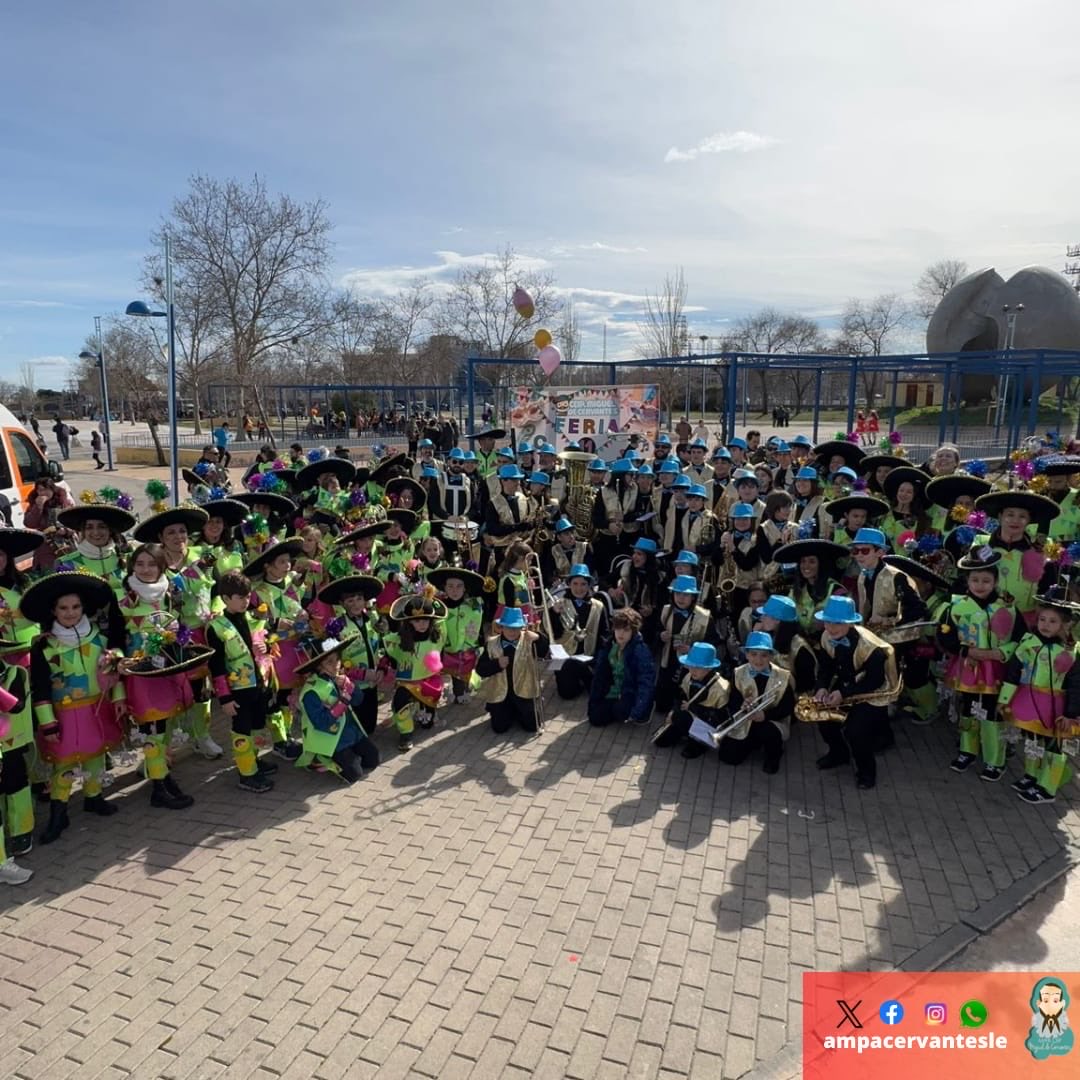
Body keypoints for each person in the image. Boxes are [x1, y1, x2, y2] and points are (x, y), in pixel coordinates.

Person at [26, 572, 128, 843]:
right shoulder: (44, 647)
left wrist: (118, 698)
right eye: (63, 608)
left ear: (84, 608)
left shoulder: (100, 640)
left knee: (96, 754)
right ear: (53, 611)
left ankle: (94, 796)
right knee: (65, 763)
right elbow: (40, 689)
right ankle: (59, 812)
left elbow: (113, 674)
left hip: (97, 707)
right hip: (64, 713)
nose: (70, 613)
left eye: (75, 607)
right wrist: (47, 723)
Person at [937, 546, 1021, 781]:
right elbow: (944, 636)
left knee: (993, 712)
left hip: (997, 668)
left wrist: (1000, 652)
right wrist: (965, 650)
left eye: (986, 580)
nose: (980, 585)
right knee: (969, 708)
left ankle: (996, 760)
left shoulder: (1007, 607)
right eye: (975, 580)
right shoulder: (957, 607)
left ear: (995, 581)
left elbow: (1020, 638)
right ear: (967, 581)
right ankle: (967, 751)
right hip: (969, 667)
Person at [812, 595, 900, 790]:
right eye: (828, 622)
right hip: (847, 685)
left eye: (837, 623)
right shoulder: (826, 637)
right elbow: (825, 668)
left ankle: (867, 772)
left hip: (873, 693)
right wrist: (822, 687)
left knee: (856, 731)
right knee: (823, 716)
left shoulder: (871, 648)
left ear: (850, 623)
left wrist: (843, 693)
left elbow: (874, 680)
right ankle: (838, 754)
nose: (831, 628)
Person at [1000, 590, 1078, 805]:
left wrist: (1071, 714)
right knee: (1032, 738)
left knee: (1055, 746)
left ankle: (1047, 788)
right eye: (1042, 619)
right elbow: (1013, 671)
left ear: (1066, 624)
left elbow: (1076, 684)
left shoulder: (1071, 652)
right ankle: (1031, 775)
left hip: (1058, 706)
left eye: (1053, 621)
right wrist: (1004, 699)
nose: (1045, 625)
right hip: (1030, 699)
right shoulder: (1028, 641)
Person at [206, 572, 277, 793]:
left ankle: (253, 760)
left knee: (257, 725)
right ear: (225, 599)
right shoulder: (216, 627)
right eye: (240, 597)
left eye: (247, 596)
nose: (246, 601)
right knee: (242, 730)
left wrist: (267, 645)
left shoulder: (252, 619)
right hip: (238, 690)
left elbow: (266, 641)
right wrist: (225, 698)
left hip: (258, 684)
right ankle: (246, 774)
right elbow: (216, 667)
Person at [293, 636, 380, 783]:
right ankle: (322, 757)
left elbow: (358, 701)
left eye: (337, 659)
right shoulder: (311, 691)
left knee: (373, 759)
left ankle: (348, 755)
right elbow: (321, 723)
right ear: (319, 666)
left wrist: (350, 686)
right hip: (330, 738)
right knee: (354, 774)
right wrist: (343, 702)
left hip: (350, 731)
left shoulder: (339, 678)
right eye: (330, 662)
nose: (336, 665)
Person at [718, 631, 795, 773]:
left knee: (768, 732)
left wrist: (765, 715)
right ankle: (753, 742)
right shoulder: (738, 672)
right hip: (746, 719)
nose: (758, 660)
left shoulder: (782, 676)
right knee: (728, 756)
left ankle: (774, 755)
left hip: (771, 721)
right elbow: (733, 700)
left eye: (764, 655)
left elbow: (788, 707)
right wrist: (742, 705)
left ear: (771, 657)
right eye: (753, 654)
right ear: (747, 655)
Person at [475, 607, 551, 734]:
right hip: (501, 693)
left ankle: (520, 710)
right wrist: (497, 664)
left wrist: (538, 637)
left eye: (516, 628)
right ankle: (503, 710)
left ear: (522, 627)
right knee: (499, 728)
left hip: (524, 691)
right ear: (502, 627)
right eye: (509, 627)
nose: (512, 631)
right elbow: (481, 670)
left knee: (532, 726)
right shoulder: (491, 644)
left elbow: (544, 652)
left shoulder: (529, 640)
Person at [651, 641, 730, 756]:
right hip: (688, 716)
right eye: (691, 665)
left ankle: (698, 744)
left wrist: (693, 708)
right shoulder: (688, 677)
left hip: (705, 723)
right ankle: (683, 732)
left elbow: (721, 717)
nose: (692, 670)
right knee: (660, 741)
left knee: (683, 719)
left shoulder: (721, 688)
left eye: (698, 667)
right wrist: (673, 712)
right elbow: (680, 697)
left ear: (709, 668)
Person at [550, 564, 610, 700]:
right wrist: (554, 614)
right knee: (566, 694)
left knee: (598, 690)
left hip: (588, 655)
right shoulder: (559, 604)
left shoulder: (598, 606)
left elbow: (604, 634)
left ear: (589, 585)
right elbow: (553, 633)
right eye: (575, 583)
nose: (579, 588)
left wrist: (600, 659)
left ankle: (585, 676)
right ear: (569, 584)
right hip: (565, 656)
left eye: (583, 584)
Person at [588, 608, 655, 727]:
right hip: (614, 690)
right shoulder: (609, 646)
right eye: (618, 629)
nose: (621, 633)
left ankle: (645, 710)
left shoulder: (641, 651)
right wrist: (594, 702)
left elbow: (646, 683)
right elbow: (599, 677)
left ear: (633, 631)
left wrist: (637, 710)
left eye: (626, 630)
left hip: (631, 692)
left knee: (621, 711)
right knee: (595, 717)